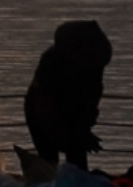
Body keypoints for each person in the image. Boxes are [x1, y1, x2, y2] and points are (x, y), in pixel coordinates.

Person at [23, 20, 111, 171]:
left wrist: (84, 131)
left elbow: (91, 101)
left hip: (74, 110)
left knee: (78, 161)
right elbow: (45, 109)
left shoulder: (94, 66)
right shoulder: (50, 63)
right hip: (42, 110)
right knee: (48, 159)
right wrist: (67, 138)